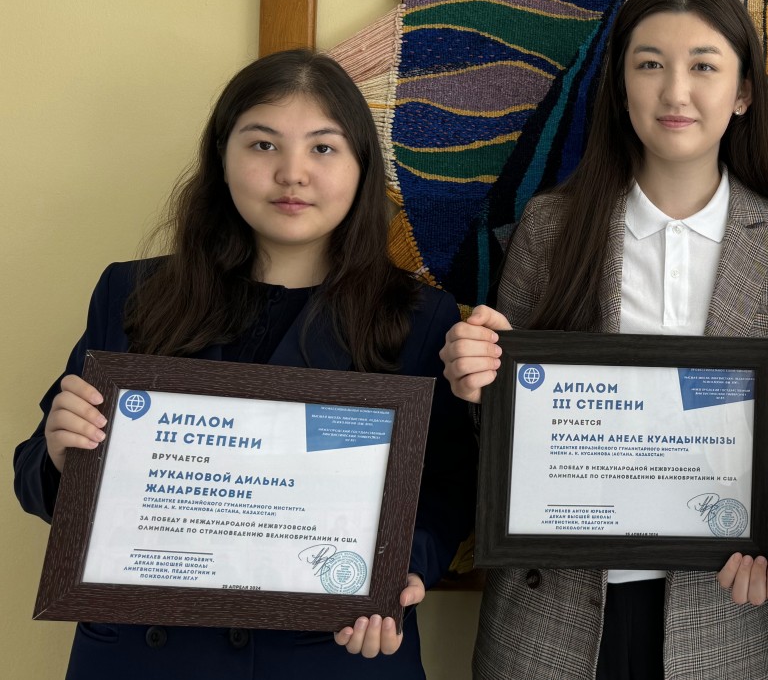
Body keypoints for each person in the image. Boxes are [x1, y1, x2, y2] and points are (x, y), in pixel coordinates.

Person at [13, 50, 476, 680]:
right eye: (263, 145)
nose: (292, 174)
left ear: (362, 167)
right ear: (222, 158)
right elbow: (34, 474)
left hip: (328, 653)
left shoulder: (422, 317)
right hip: (144, 653)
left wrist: (405, 567)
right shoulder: (133, 294)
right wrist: (62, 454)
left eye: (323, 148)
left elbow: (450, 487)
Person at [440, 0, 768, 679]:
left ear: (744, 93)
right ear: (620, 87)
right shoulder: (550, 227)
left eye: (704, 67)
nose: (675, 92)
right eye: (649, 64)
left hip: (728, 616)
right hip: (552, 614)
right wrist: (476, 382)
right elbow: (502, 425)